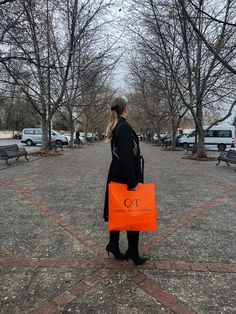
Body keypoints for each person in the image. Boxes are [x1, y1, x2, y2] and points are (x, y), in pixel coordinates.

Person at [104, 97, 147, 265]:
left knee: (118, 212)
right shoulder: (123, 127)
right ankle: (132, 251)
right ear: (125, 109)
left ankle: (114, 245)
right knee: (132, 214)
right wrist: (132, 183)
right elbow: (126, 158)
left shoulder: (119, 126)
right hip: (125, 176)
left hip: (118, 174)